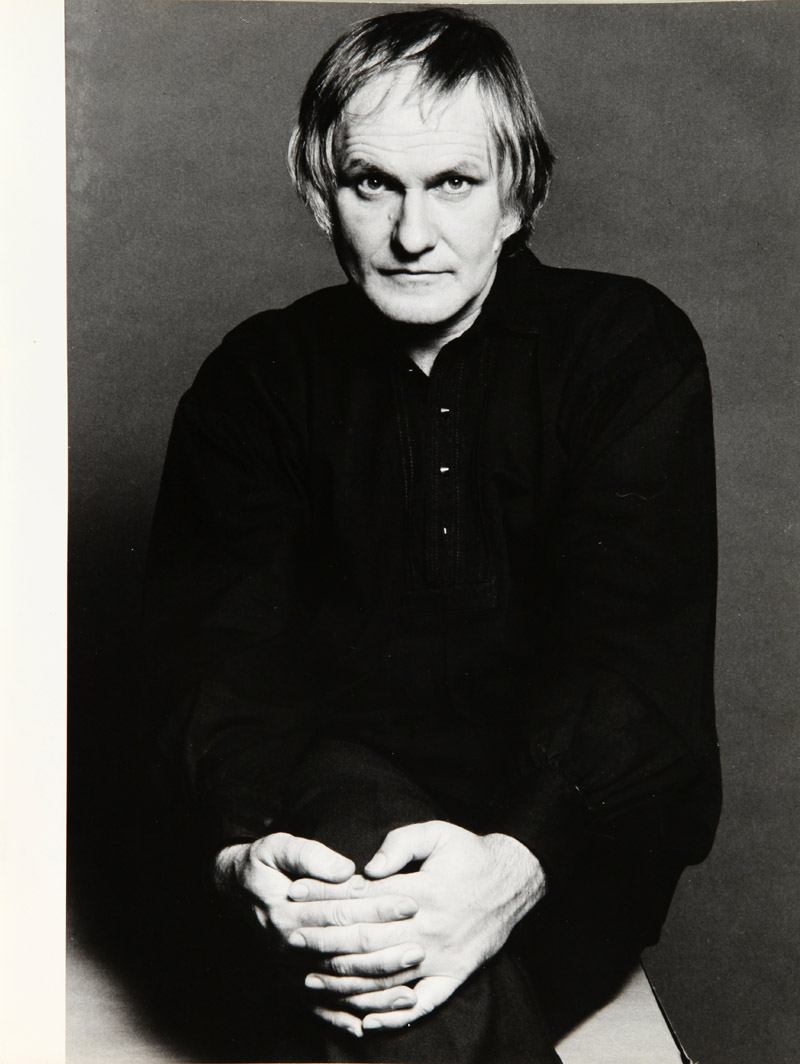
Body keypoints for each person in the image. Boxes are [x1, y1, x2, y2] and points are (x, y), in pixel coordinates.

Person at [143, 9, 721, 1062]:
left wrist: (515, 861)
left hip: (563, 844)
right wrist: (238, 853)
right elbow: (218, 662)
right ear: (322, 194)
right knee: (369, 899)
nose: (412, 233)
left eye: (452, 182)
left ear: (516, 197)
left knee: (398, 980)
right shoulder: (257, 381)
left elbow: (636, 654)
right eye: (374, 184)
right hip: (331, 828)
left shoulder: (623, 348)